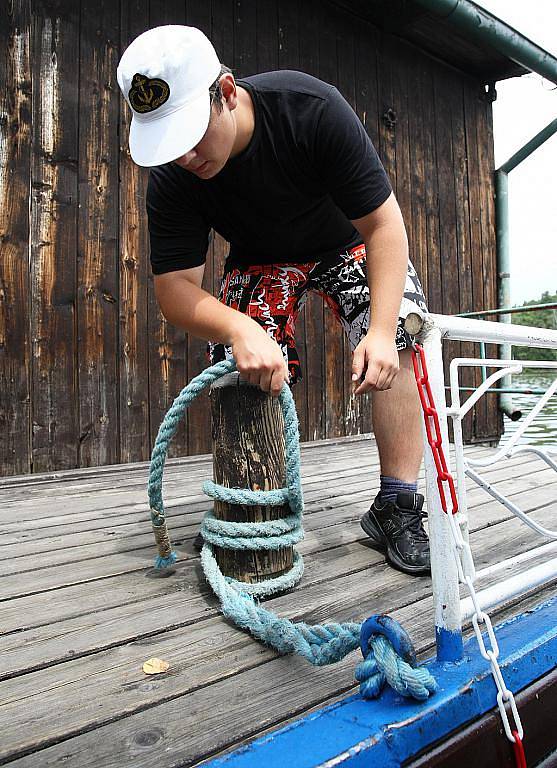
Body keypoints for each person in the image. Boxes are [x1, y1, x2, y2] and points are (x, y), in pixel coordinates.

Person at [117, 25, 430, 575]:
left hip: (349, 242)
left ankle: (397, 506)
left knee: (402, 332)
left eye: (192, 134)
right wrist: (239, 330)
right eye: (171, 144)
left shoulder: (310, 109)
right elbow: (175, 291)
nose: (186, 156)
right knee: (238, 362)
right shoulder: (175, 174)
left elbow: (385, 226)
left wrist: (380, 332)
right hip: (261, 260)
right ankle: (255, 507)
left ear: (228, 93)